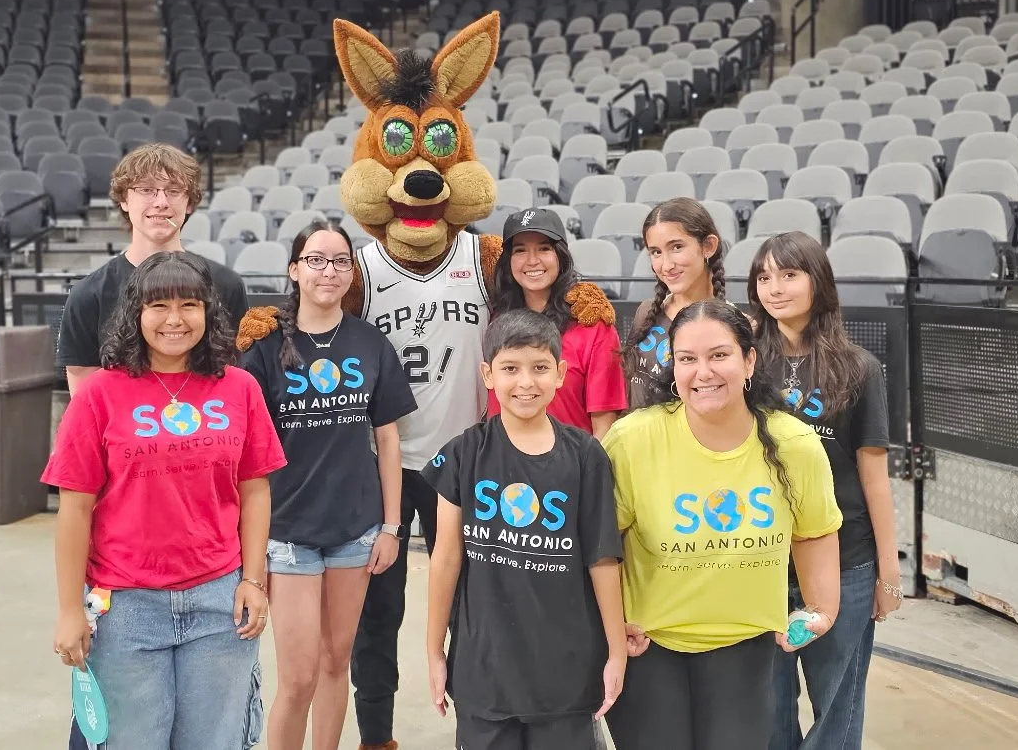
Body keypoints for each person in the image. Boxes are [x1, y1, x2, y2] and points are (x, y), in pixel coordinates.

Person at [46, 251, 285, 750]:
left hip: (220, 603)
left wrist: (253, 579)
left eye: (188, 305)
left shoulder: (238, 387)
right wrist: (70, 609)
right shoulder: (100, 395)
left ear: (208, 313)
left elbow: (255, 489)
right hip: (125, 607)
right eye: (158, 306)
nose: (174, 319)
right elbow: (74, 508)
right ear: (135, 314)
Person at [602, 300, 843, 750]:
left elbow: (814, 530)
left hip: (746, 647)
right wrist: (613, 627)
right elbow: (600, 546)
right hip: (649, 648)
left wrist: (821, 609)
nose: (703, 373)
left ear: (749, 360)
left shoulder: (795, 445)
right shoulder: (633, 440)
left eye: (719, 355)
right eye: (687, 359)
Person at [242, 220, 416, 750]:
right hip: (289, 530)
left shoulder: (369, 343)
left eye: (341, 261)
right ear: (294, 269)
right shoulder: (265, 346)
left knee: (336, 661)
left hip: (355, 528)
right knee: (297, 679)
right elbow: (247, 457)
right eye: (316, 259)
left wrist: (390, 526)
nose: (329, 271)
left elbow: (388, 442)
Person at [424, 310, 627, 748]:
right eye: (510, 369)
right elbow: (445, 558)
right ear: (488, 375)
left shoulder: (586, 456)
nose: (525, 383)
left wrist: (615, 652)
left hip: (566, 675)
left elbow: (603, 558)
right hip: (484, 672)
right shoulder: (463, 454)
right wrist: (434, 650)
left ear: (560, 374)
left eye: (539, 368)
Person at [748, 233, 901, 750]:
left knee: (838, 704)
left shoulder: (860, 368)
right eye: (764, 277)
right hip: (761, 558)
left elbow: (873, 477)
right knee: (766, 710)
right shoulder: (745, 365)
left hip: (846, 561)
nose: (775, 287)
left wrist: (889, 570)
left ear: (819, 282)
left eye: (789, 275)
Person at [57, 143, 248, 396]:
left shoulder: (226, 284)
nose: (161, 202)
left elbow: (236, 376)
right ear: (124, 200)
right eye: (146, 190)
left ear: (190, 203)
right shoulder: (87, 294)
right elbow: (85, 398)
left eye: (174, 190)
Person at [487, 208, 628, 436]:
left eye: (544, 248)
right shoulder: (491, 319)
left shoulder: (593, 325)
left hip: (569, 465)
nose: (532, 261)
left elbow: (604, 423)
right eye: (520, 250)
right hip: (499, 464)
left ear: (560, 255)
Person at [623, 198, 725, 411]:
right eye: (656, 252)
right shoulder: (646, 312)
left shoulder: (734, 325)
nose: (666, 265)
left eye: (676, 247)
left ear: (708, 246)